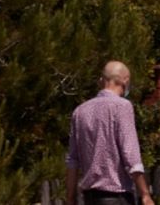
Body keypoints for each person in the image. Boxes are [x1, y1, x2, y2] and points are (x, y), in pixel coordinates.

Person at [66, 61, 155, 205]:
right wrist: (145, 194)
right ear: (125, 81)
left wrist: (70, 198)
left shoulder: (80, 111)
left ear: (102, 81)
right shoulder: (122, 107)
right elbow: (130, 155)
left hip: (90, 198)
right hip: (116, 196)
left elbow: (72, 160)